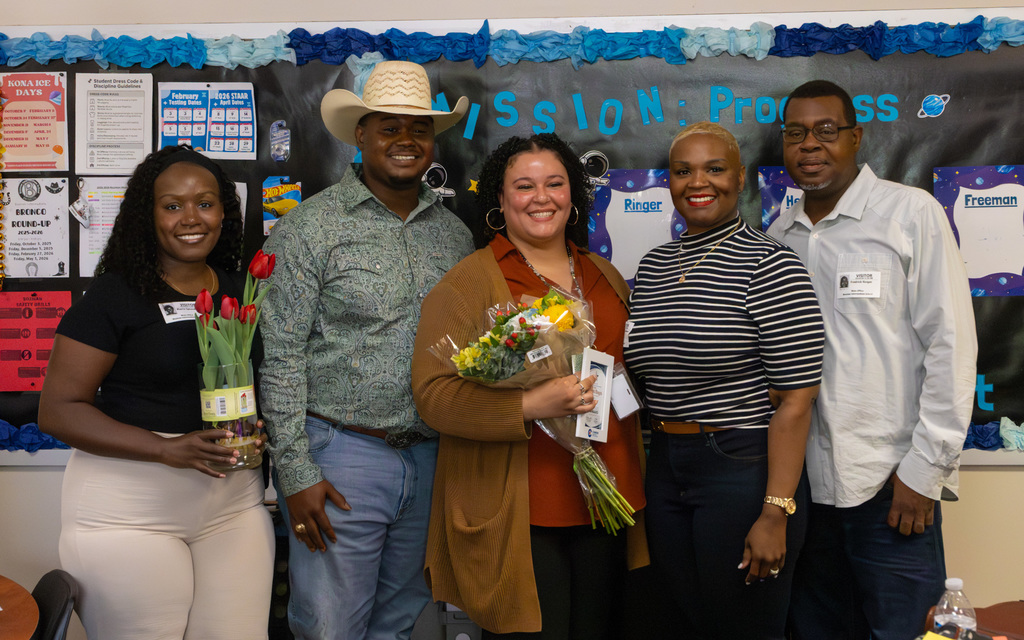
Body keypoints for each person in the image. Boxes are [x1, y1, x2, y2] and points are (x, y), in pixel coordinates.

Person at [258, 60, 473, 640]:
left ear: (433, 140)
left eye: (419, 129)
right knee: (330, 628)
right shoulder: (309, 229)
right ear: (361, 134)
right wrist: (297, 473)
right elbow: (278, 356)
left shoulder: (455, 237)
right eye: (389, 127)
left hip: (430, 459)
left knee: (399, 625)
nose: (406, 141)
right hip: (341, 457)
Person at [411, 132, 648, 639]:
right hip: (524, 508)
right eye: (524, 186)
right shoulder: (471, 283)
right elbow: (434, 397)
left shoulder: (603, 274)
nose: (542, 197)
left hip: (608, 500)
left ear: (574, 195)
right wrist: (531, 402)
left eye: (555, 183)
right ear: (500, 199)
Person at [766, 80, 978, 640]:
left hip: (891, 487)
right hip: (806, 495)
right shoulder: (779, 237)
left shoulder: (910, 215)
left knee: (904, 633)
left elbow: (951, 346)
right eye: (795, 133)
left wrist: (925, 472)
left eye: (826, 131)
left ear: (856, 138)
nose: (810, 145)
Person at [38, 145, 274, 640]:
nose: (191, 218)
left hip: (232, 508)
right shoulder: (114, 295)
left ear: (223, 213)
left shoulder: (239, 292)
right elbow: (58, 412)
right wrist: (165, 448)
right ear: (148, 215)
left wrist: (257, 429)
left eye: (205, 203)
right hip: (128, 514)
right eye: (172, 205)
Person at [623, 122, 825, 639]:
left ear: (739, 177)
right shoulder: (654, 266)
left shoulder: (771, 262)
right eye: (683, 170)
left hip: (742, 467)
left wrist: (776, 512)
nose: (699, 182)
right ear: (667, 181)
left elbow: (797, 401)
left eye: (714, 169)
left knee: (745, 627)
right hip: (666, 466)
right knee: (686, 620)